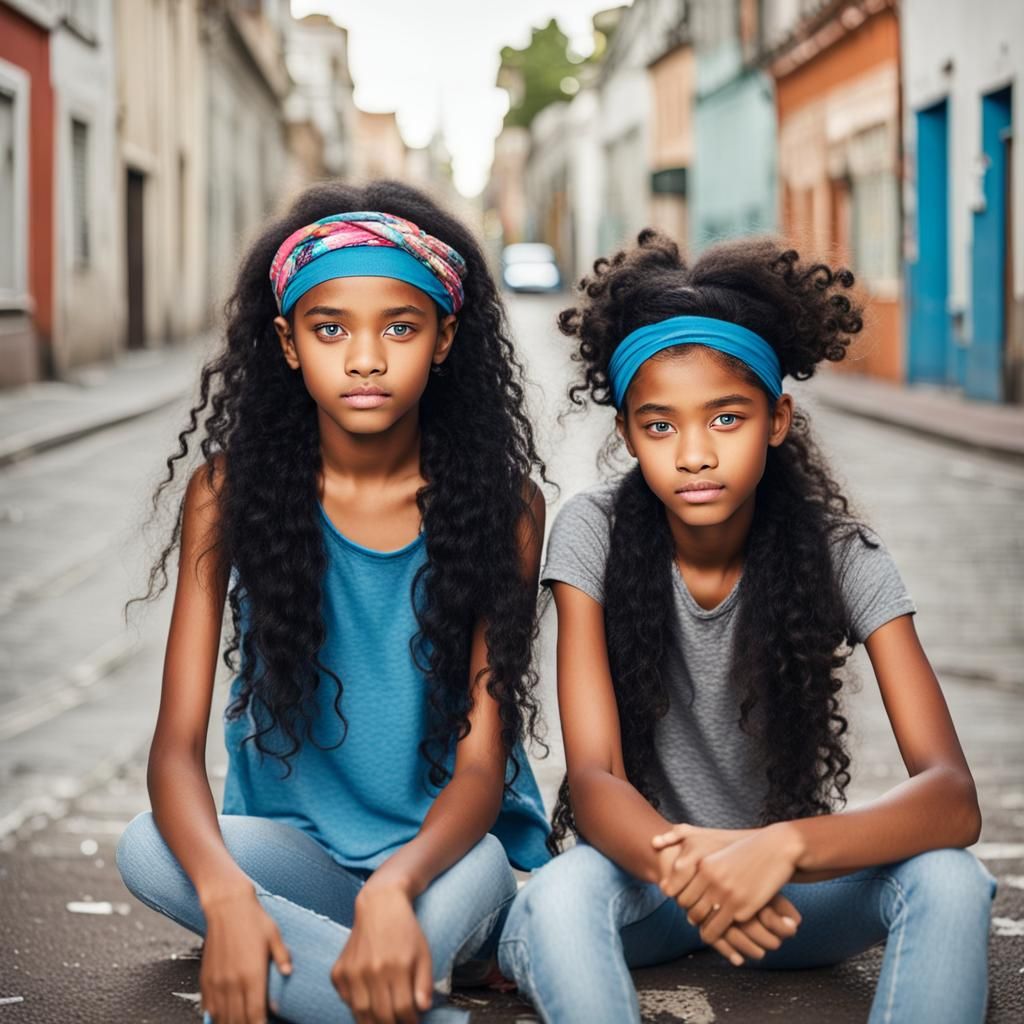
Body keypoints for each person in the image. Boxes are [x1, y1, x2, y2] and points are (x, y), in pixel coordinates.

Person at [497, 230, 996, 1024]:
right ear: (627, 433)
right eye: (660, 427)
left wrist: (785, 847)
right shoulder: (590, 531)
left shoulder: (841, 551)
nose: (694, 453)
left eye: (725, 418)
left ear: (776, 418)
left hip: (783, 894)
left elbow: (952, 798)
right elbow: (593, 781)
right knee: (557, 900)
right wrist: (695, 868)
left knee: (951, 881)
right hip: (647, 882)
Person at [116, 181, 551, 1024]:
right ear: (287, 342)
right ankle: (402, 992)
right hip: (298, 858)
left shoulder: (507, 506)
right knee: (150, 851)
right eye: (329, 329)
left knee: (484, 874)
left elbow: (482, 767)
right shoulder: (226, 492)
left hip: (451, 854)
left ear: (445, 336)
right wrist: (228, 897)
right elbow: (175, 749)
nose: (364, 358)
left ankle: (328, 968)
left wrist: (396, 881)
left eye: (399, 326)